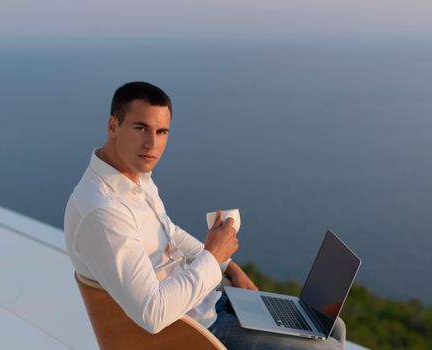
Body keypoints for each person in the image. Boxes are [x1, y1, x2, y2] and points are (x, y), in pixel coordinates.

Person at [64, 81, 346, 349]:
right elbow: (153, 313)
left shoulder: (135, 177)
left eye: (162, 132)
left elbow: (169, 232)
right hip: (190, 331)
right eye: (141, 128)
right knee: (328, 346)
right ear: (113, 126)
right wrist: (213, 256)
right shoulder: (104, 211)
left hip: (203, 301)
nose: (152, 144)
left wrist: (227, 265)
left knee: (330, 325)